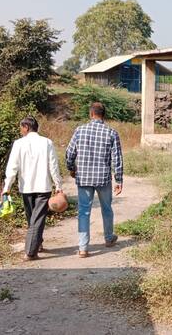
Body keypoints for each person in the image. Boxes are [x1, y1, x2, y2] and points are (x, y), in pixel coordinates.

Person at [66, 102, 123, 258]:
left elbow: (70, 152)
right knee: (107, 208)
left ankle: (83, 247)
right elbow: (117, 159)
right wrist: (119, 180)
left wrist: (71, 168)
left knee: (84, 212)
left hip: (83, 178)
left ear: (91, 114)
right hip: (103, 178)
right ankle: (109, 238)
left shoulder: (79, 130)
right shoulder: (111, 132)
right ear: (103, 115)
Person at [2, 116, 63, 261]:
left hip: (26, 187)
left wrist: (7, 187)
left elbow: (12, 167)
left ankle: (30, 251)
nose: (20, 130)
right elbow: (53, 166)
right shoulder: (47, 142)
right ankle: (36, 244)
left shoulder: (18, 144)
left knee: (33, 219)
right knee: (36, 219)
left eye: (21, 128)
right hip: (43, 187)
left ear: (26, 127)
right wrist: (58, 185)